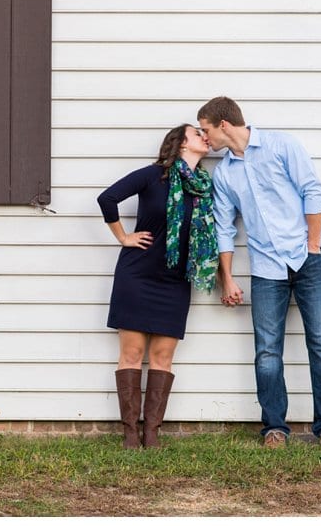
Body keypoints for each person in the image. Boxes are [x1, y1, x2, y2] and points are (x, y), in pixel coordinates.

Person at [196, 96, 321, 449]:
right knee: (266, 351)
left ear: (224, 125)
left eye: (206, 131)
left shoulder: (282, 145)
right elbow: (223, 228)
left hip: (310, 261)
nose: (206, 139)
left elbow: (313, 191)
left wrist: (311, 245)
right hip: (266, 269)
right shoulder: (225, 174)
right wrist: (227, 277)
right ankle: (274, 428)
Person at [97, 124, 218, 449]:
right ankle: (130, 434)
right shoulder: (153, 176)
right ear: (179, 145)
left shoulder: (204, 187)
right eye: (197, 133)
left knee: (163, 357)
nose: (204, 137)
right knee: (133, 354)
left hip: (175, 282)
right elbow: (107, 198)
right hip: (137, 277)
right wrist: (124, 237)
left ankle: (152, 432)